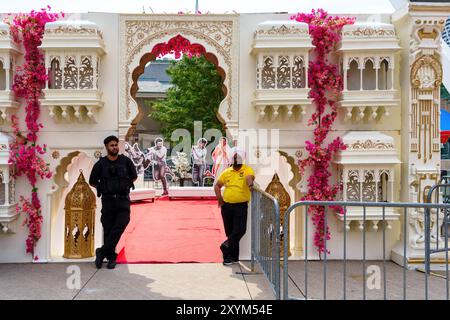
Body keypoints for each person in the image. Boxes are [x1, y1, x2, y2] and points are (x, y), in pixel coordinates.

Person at [89, 135, 138, 269]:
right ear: (106, 147)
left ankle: (101, 251)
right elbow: (92, 181)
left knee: (122, 223)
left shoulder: (125, 161)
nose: (115, 147)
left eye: (116, 144)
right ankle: (111, 258)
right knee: (109, 229)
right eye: (112, 145)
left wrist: (124, 185)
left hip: (123, 200)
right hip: (108, 201)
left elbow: (134, 177)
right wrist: (104, 187)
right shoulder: (100, 164)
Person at [214, 147, 255, 266]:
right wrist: (220, 199)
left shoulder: (247, 170)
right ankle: (231, 258)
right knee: (230, 232)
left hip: (241, 206)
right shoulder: (227, 172)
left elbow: (249, 178)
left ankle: (225, 246)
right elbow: (217, 186)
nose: (237, 159)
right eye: (235, 157)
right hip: (226, 206)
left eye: (239, 157)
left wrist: (250, 184)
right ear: (232, 159)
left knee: (240, 230)